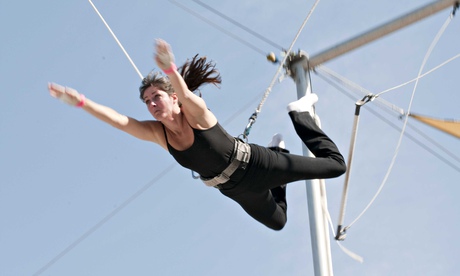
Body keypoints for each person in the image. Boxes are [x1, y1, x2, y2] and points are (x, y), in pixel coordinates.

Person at [48, 39, 346, 231]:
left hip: (256, 165)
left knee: (335, 165)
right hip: (234, 189)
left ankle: (300, 114)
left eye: (157, 97)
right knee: (278, 221)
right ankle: (281, 151)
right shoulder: (158, 133)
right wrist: (81, 102)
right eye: (147, 102)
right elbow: (120, 122)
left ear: (173, 97)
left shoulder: (196, 113)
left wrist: (171, 71)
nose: (152, 105)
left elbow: (186, 96)